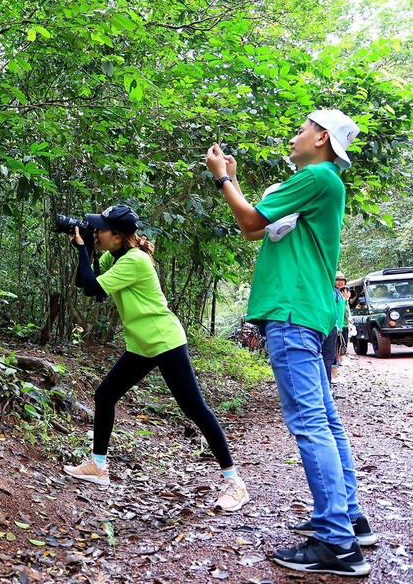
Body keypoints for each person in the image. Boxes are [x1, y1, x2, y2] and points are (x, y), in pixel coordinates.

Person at [206, 110, 376, 577]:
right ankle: (349, 519)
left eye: (301, 129)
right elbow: (258, 228)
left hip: (292, 311)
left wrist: (222, 179)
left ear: (321, 138)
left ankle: (338, 545)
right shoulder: (320, 184)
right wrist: (234, 181)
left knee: (309, 424)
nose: (294, 135)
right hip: (308, 311)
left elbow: (248, 220)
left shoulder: (317, 176)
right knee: (325, 420)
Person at [61, 204, 249, 513]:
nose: (96, 233)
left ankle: (235, 483)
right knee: (105, 394)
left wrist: (82, 250)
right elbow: (91, 287)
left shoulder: (135, 260)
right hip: (142, 344)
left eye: (101, 230)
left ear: (119, 236)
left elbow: (92, 286)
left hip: (164, 341)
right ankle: (98, 466)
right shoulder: (116, 256)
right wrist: (86, 251)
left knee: (195, 409)